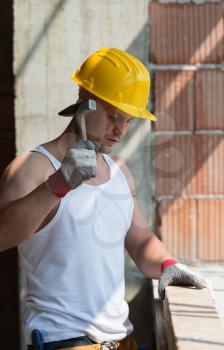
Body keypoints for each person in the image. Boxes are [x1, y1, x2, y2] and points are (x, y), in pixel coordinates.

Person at [0, 48, 206, 349]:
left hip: (121, 340)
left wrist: (167, 264)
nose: (120, 130)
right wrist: (58, 184)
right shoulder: (32, 167)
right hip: (65, 342)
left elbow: (140, 239)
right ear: (84, 99)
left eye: (128, 120)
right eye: (113, 116)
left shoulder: (119, 171)